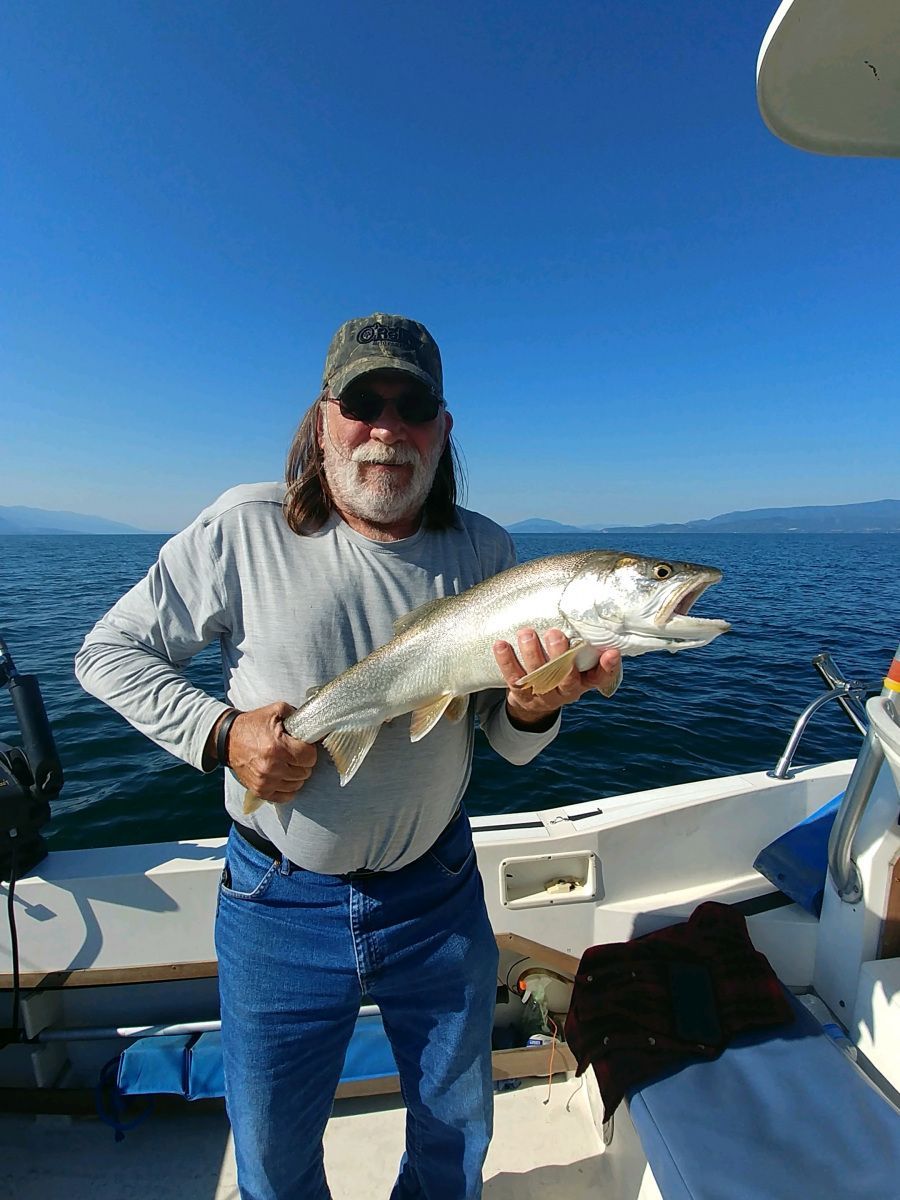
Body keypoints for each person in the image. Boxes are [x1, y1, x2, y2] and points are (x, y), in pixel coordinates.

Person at [75, 313, 622, 1200]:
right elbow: (105, 655)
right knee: (274, 1151)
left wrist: (530, 708)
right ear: (323, 416)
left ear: (444, 431)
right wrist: (222, 734)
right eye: (365, 401)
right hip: (276, 903)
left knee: (454, 1138)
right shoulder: (242, 528)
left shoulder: (488, 552)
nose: (387, 428)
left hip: (437, 894)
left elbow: (508, 746)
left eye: (414, 408)